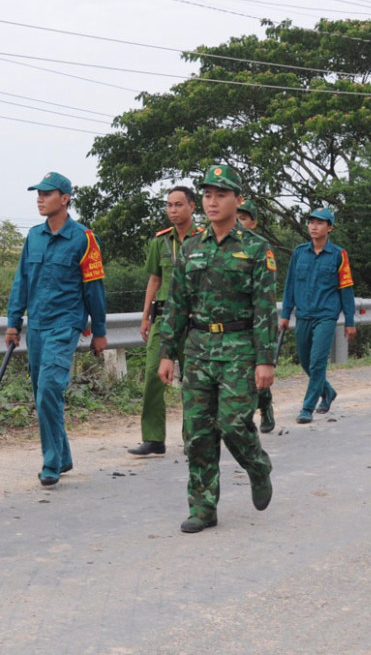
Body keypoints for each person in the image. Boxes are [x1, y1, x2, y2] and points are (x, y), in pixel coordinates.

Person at [157, 164, 275, 533]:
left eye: (220, 195)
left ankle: (257, 464)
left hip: (239, 348)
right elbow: (176, 304)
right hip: (198, 349)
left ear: (238, 200)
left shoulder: (256, 248)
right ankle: (203, 507)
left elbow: (264, 307)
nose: (212, 201)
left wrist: (265, 360)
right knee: (197, 433)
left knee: (234, 424)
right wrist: (166, 352)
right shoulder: (190, 247)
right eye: (207, 195)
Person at [5, 172, 108, 486]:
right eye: (38, 193)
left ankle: (51, 463)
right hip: (36, 325)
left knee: (49, 387)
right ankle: (62, 456)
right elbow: (21, 282)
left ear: (64, 198)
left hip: (65, 325)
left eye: (47, 193)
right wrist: (13, 323)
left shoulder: (84, 238)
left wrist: (99, 331)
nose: (40, 198)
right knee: (41, 393)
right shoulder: (33, 236)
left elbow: (94, 289)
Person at [130, 186, 199, 457]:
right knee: (152, 376)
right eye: (169, 205)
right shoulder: (160, 241)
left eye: (179, 204)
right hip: (164, 318)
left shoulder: (205, 239)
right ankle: (153, 438)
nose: (173, 210)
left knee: (193, 381)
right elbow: (155, 280)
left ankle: (193, 438)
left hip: (195, 321)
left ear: (192, 206)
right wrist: (145, 316)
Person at [280, 207, 356, 424]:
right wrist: (286, 314)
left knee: (317, 362)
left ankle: (307, 407)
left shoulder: (339, 255)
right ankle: (328, 391)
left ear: (329, 228)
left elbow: (346, 289)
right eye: (311, 222)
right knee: (304, 360)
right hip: (303, 314)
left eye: (320, 223)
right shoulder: (299, 253)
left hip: (326, 315)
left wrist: (349, 321)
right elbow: (290, 285)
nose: (314, 226)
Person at [236, 200, 276, 433]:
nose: (238, 222)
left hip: (254, 323)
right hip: (228, 327)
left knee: (256, 375)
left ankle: (265, 405)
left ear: (253, 223)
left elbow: (266, 296)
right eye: (236, 217)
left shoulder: (260, 248)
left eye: (243, 218)